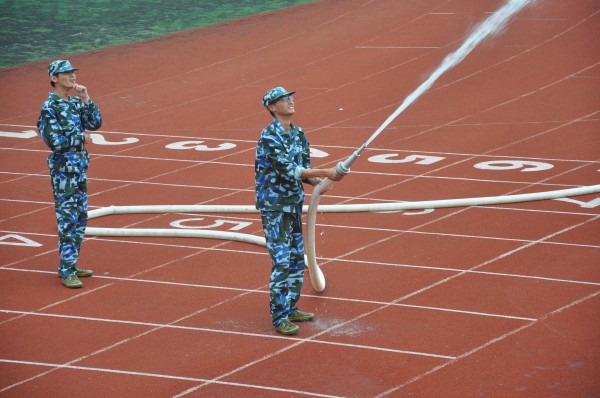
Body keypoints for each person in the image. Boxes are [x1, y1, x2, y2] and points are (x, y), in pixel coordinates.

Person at [255, 87, 344, 335]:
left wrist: (320, 183)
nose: (290, 101)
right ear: (272, 107)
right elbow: (291, 170)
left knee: (296, 259)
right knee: (282, 260)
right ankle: (279, 316)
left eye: (291, 97)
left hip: (292, 203)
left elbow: (305, 168)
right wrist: (326, 173)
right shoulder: (269, 136)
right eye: (284, 99)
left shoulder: (298, 133)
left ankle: (290, 306)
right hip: (274, 207)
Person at [37, 60, 102, 289]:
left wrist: (86, 98)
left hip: (79, 166)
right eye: (67, 73)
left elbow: (95, 123)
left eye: (73, 72)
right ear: (54, 78)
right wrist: (80, 139)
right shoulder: (49, 107)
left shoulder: (74, 103)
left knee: (80, 216)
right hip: (64, 169)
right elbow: (53, 141)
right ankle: (66, 269)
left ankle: (71, 263)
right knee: (67, 218)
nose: (73, 76)